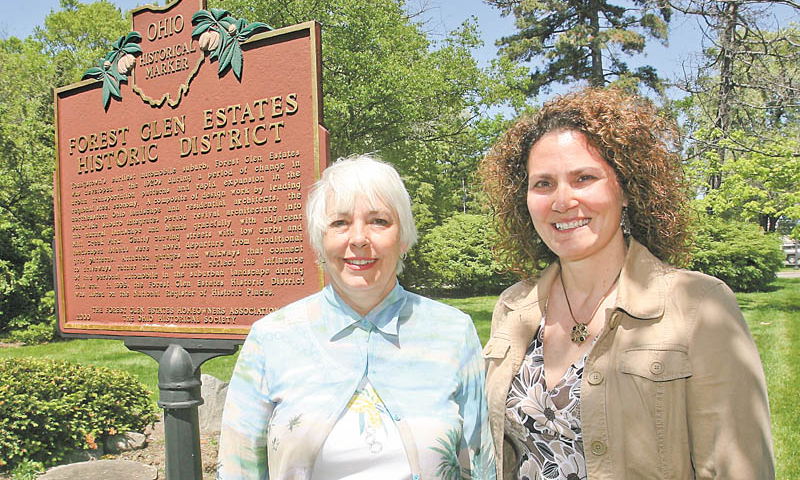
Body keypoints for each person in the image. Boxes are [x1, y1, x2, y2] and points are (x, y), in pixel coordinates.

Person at [479, 87, 773, 479]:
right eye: (543, 184)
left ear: (627, 189)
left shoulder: (699, 305)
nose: (562, 201)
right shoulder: (514, 306)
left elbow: (739, 468)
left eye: (584, 178)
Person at [218, 155, 495, 479]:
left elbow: (479, 467)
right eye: (340, 223)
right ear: (320, 241)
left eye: (379, 221)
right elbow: (239, 471)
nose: (359, 238)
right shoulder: (270, 339)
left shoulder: (454, 333)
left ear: (403, 237)